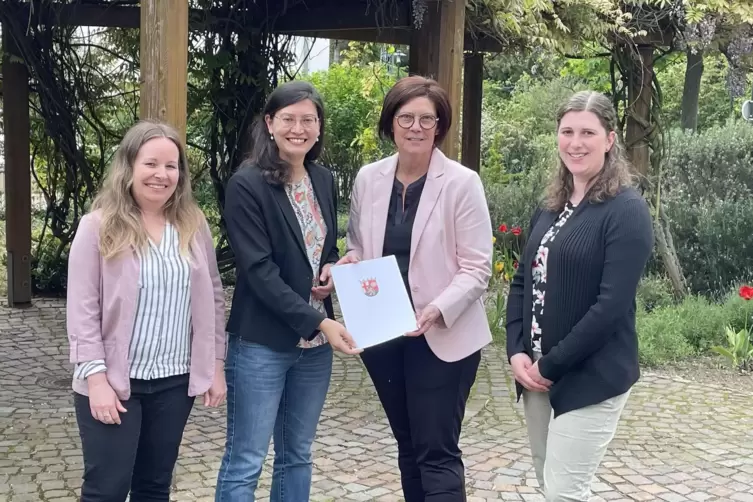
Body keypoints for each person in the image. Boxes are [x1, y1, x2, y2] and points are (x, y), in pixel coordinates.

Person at [339, 75, 493, 501]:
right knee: (408, 448)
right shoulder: (369, 179)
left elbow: (478, 268)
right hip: (385, 332)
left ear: (440, 126)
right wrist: (349, 262)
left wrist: (437, 309)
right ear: (391, 124)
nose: (416, 127)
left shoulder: (462, 183)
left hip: (441, 335)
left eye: (428, 119)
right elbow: (358, 245)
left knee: (436, 452)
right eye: (406, 117)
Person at [66, 120, 227, 502]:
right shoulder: (98, 226)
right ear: (129, 167)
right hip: (115, 384)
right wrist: (96, 381)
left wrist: (215, 365)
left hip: (174, 382)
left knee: (154, 487)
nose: (162, 174)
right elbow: (82, 310)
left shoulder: (193, 224)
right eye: (151, 164)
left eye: (171, 166)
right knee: (107, 490)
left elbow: (214, 298)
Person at [215, 80, 360, 502]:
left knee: (297, 454)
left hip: (313, 350)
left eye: (308, 120)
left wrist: (332, 266)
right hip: (262, 340)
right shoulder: (247, 184)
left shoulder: (323, 179)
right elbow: (258, 271)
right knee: (246, 459)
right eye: (289, 119)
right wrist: (320, 322)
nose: (299, 128)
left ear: (318, 128)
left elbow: (323, 247)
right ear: (270, 123)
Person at [505, 90, 654, 501]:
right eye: (567, 131)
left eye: (588, 132)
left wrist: (551, 364)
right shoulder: (551, 205)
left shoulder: (627, 211)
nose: (575, 142)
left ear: (609, 139)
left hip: (591, 374)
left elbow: (611, 307)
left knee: (565, 492)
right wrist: (516, 349)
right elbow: (522, 280)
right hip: (534, 371)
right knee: (548, 482)